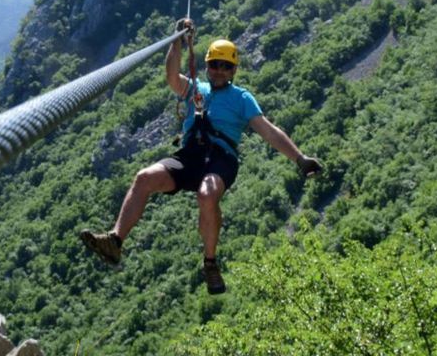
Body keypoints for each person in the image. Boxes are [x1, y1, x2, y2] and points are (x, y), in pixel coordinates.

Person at [81, 18, 322, 294]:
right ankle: (115, 241)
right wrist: (177, 41)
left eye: (225, 66)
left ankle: (210, 263)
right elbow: (172, 76)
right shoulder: (196, 88)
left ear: (233, 71)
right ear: (207, 65)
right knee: (144, 177)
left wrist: (300, 159)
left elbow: (268, 131)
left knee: (207, 194)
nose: (219, 71)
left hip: (222, 159)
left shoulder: (242, 99)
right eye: (214, 64)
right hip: (190, 155)